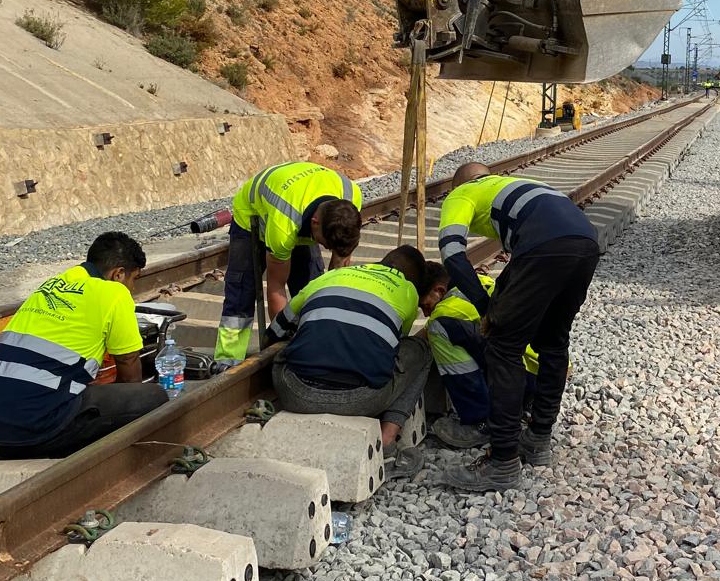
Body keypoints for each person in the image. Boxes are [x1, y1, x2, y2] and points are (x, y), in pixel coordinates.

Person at [434, 162, 600, 490]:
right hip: (585, 241)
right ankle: (538, 439)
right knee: (553, 341)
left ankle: (502, 461)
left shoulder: (462, 194)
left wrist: (485, 310)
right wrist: (499, 305)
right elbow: (516, 269)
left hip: (545, 247)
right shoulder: (516, 185)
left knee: (502, 347)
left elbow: (452, 255)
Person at [0, 232, 167, 458]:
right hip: (28, 426)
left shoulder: (52, 285)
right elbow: (129, 366)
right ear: (119, 274)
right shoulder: (115, 292)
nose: (132, 288)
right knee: (153, 397)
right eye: (134, 279)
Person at [265, 245, 436, 453]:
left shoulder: (333, 275)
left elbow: (275, 330)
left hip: (294, 393)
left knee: (293, 339)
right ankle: (388, 438)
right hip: (360, 401)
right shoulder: (408, 291)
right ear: (413, 282)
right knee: (422, 349)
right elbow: (394, 349)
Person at [214, 162, 363, 364]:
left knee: (312, 286)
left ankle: (314, 345)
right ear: (315, 223)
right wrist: (280, 340)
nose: (326, 249)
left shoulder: (352, 197)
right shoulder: (283, 228)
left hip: (300, 204)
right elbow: (276, 287)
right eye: (324, 244)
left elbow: (341, 254)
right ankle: (228, 359)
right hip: (252, 216)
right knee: (242, 291)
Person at [424, 272, 544, 450]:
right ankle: (527, 403)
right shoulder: (479, 281)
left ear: (439, 291)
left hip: (521, 373)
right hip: (545, 374)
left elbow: (426, 332)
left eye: (425, 305)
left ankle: (480, 422)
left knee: (438, 330)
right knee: (478, 337)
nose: (426, 313)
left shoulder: (446, 310)